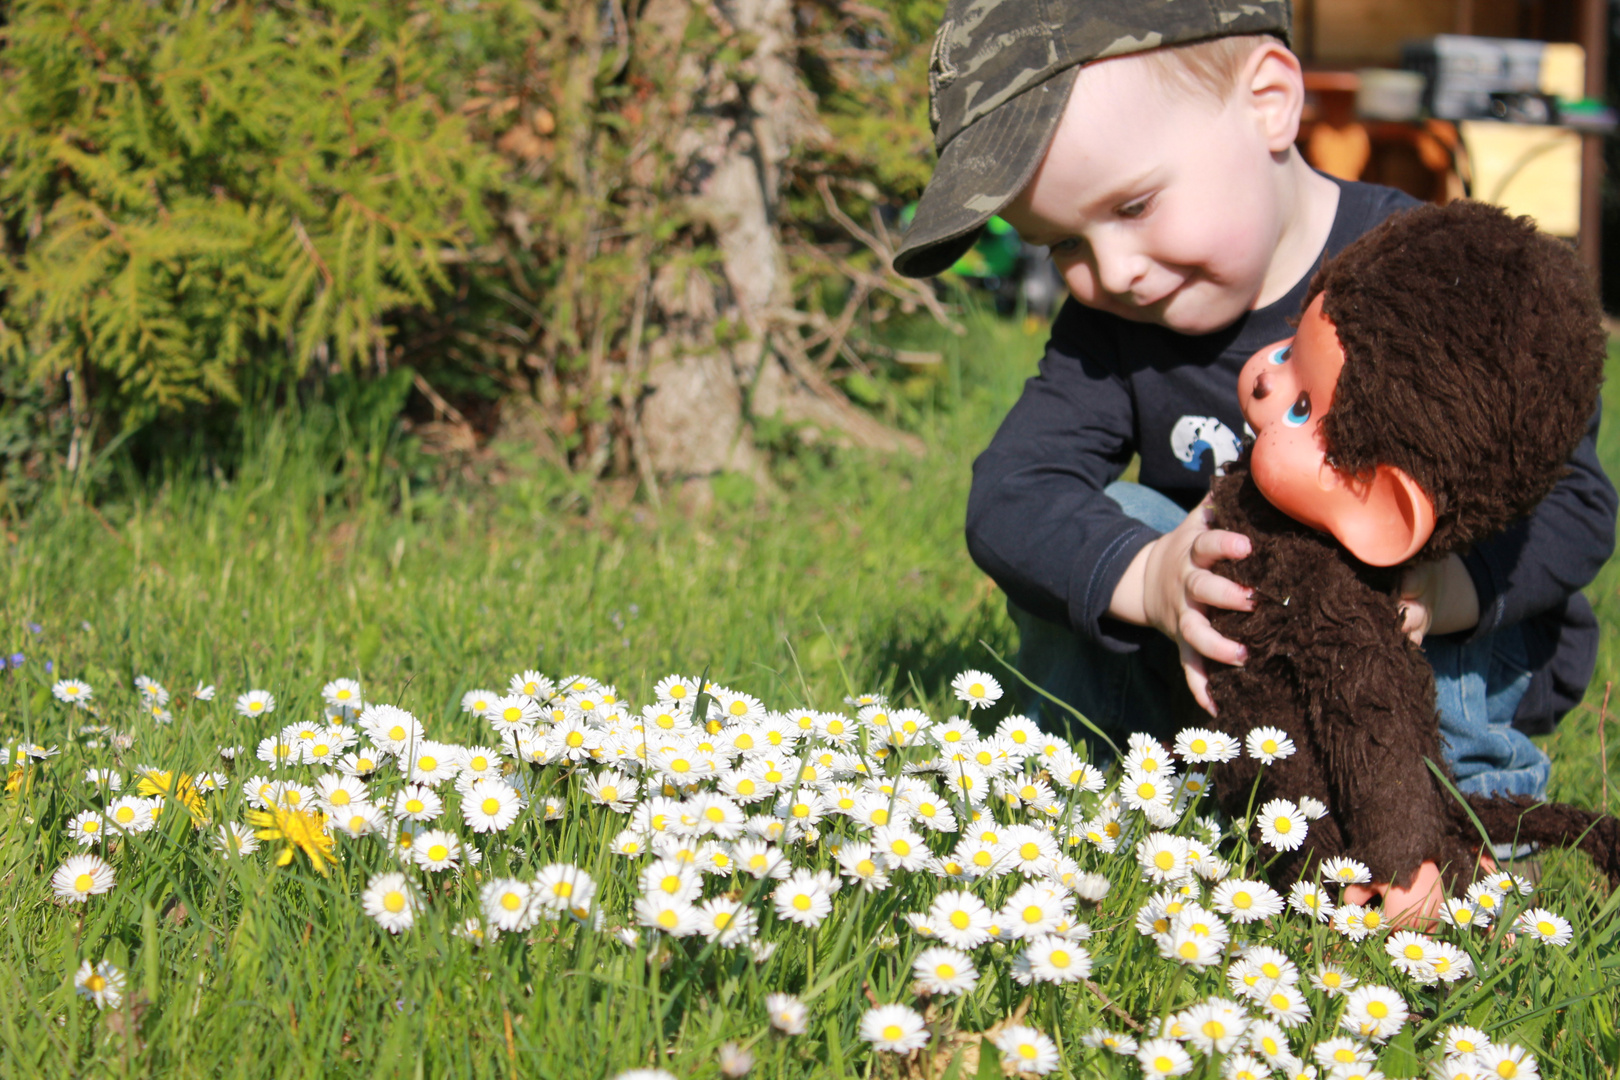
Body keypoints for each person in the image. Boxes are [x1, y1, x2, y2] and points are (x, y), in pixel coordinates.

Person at [893, 2, 1616, 817]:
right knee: (1109, 521)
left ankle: (1471, 806)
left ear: (1269, 103)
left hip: (1423, 647)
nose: (1115, 271)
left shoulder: (1427, 283)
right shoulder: (1112, 327)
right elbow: (1014, 493)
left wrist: (1447, 589)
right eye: (1062, 244)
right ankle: (1096, 782)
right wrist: (1150, 576)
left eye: (1132, 207)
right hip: (1233, 677)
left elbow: (1575, 500)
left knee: (1427, 536)